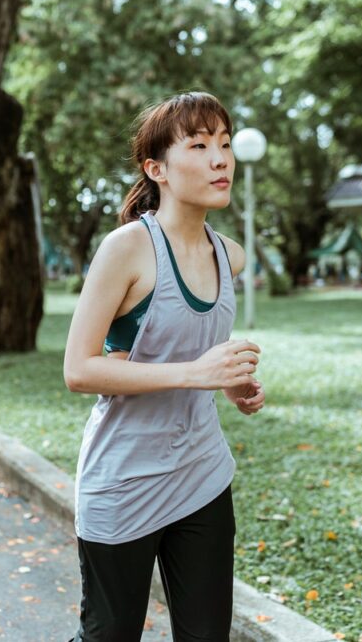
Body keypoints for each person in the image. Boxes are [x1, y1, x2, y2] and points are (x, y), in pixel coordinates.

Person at [62, 92, 265, 641]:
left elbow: (189, 353)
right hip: (124, 479)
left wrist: (229, 384)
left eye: (224, 144)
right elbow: (79, 369)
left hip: (201, 475)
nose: (219, 159)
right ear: (158, 170)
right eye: (198, 146)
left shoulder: (231, 255)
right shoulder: (127, 249)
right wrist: (195, 372)